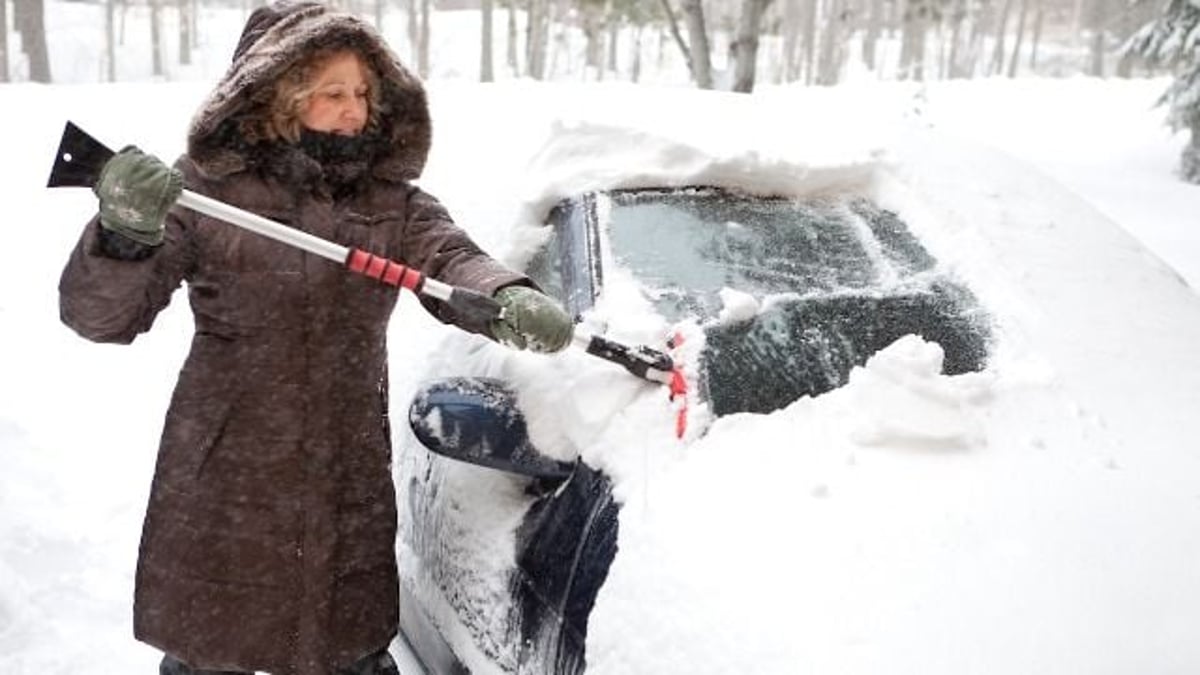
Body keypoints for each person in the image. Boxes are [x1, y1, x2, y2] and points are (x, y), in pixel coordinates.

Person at [57, 2, 574, 674]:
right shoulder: (206, 193)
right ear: (275, 96)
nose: (354, 110)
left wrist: (506, 295)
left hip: (344, 475)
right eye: (332, 93)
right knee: (215, 646)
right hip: (223, 471)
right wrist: (124, 234)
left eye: (362, 92)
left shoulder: (392, 203)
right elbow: (101, 317)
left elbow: (451, 260)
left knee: (346, 644)